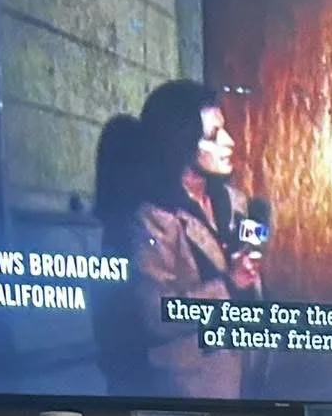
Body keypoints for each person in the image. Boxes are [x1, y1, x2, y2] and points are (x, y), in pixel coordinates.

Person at [94, 80, 263, 399]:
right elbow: (156, 315)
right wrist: (227, 286)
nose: (230, 142)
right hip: (185, 391)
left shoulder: (236, 202)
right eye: (213, 136)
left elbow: (252, 282)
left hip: (243, 379)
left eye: (224, 130)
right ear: (180, 144)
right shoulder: (152, 219)